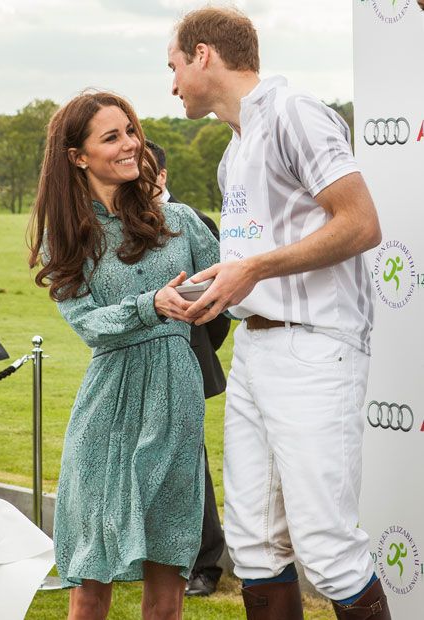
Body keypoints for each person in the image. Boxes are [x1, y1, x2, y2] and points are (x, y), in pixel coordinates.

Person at [167, 7, 391, 620]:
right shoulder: (231, 152)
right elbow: (251, 259)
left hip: (316, 347)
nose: (173, 84)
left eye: (175, 66)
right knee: (254, 544)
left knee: (326, 546)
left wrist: (254, 270)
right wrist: (212, 285)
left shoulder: (293, 111)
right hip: (256, 351)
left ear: (204, 54)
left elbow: (362, 223)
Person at [28, 91, 220, 620]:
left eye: (130, 131)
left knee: (169, 570)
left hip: (176, 400)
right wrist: (150, 305)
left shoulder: (180, 222)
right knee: (90, 578)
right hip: (106, 407)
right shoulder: (66, 236)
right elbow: (89, 325)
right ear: (78, 156)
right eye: (111, 136)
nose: (131, 144)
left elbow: (236, 296)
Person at [146, 139, 229, 596]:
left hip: (187, 361)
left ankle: (205, 564)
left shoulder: (194, 221)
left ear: (161, 176)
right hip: (135, 364)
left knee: (188, 463)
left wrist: (195, 353)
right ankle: (159, 556)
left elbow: (218, 308)